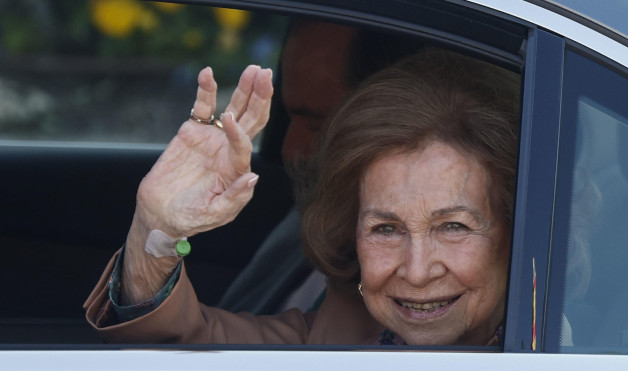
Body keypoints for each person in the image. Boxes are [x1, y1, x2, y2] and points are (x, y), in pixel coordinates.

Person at [84, 49, 520, 346]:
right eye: (385, 228)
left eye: (453, 226)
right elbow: (172, 351)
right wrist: (155, 231)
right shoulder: (340, 332)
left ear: (517, 230)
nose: (418, 271)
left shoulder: (574, 357)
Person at [217, 19, 423, 315]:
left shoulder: (395, 277)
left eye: (318, 124)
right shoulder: (318, 221)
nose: (289, 150)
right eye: (289, 117)